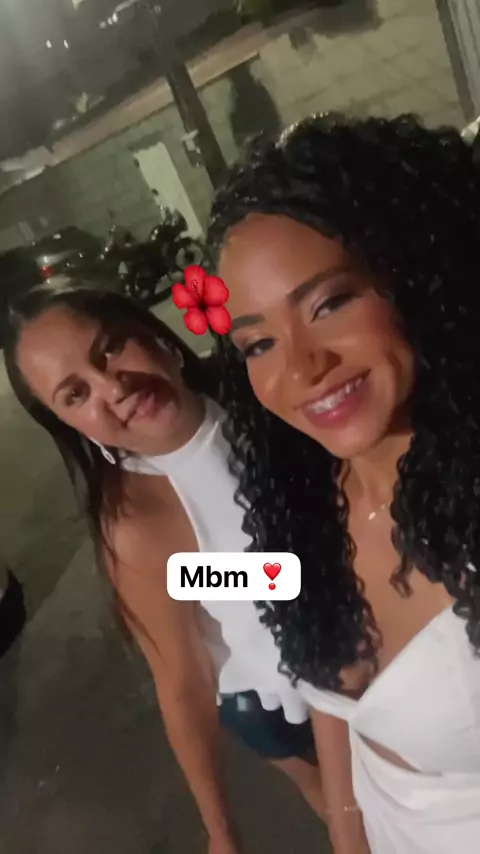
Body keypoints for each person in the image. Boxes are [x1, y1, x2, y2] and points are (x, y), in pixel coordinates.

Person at [208, 113, 480, 854]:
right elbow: (338, 710)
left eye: (329, 303)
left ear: (415, 277)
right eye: (258, 343)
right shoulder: (304, 503)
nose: (301, 368)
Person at [3, 282, 325, 854]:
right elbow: (181, 682)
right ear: (72, 426)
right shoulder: (138, 523)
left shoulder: (263, 391)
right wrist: (221, 832)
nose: (113, 387)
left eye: (110, 349)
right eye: (76, 393)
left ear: (159, 340)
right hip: (286, 707)